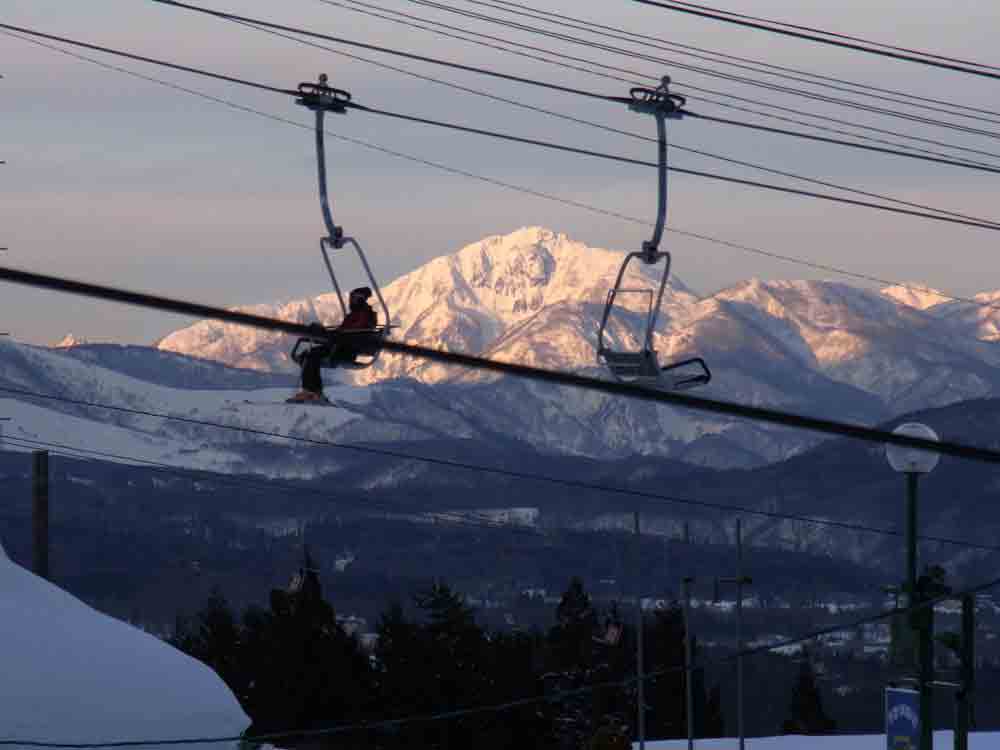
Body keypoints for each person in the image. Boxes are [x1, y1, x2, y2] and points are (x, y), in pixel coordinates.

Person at [289, 287, 378, 403]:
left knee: (311, 355)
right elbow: (344, 331)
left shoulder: (363, 315)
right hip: (341, 346)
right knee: (307, 355)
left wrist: (327, 333)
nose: (350, 301)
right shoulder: (358, 314)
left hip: (344, 349)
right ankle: (314, 391)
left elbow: (352, 331)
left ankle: (311, 391)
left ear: (359, 299)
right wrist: (325, 332)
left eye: (353, 298)